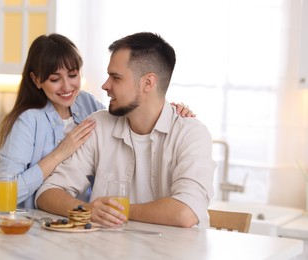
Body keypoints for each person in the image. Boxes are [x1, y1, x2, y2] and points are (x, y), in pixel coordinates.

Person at [0, 33, 194, 209]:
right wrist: (60, 153)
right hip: (32, 225)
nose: (66, 86)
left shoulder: (86, 103)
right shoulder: (28, 121)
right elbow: (2, 194)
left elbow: (125, 116)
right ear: (36, 80)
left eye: (73, 75)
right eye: (54, 79)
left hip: (79, 224)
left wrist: (168, 110)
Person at [36, 32, 215, 228]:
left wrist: (117, 211)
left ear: (148, 82)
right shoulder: (99, 126)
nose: (105, 85)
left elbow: (185, 212)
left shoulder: (191, 134)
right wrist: (86, 209)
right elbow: (47, 192)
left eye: (116, 77)